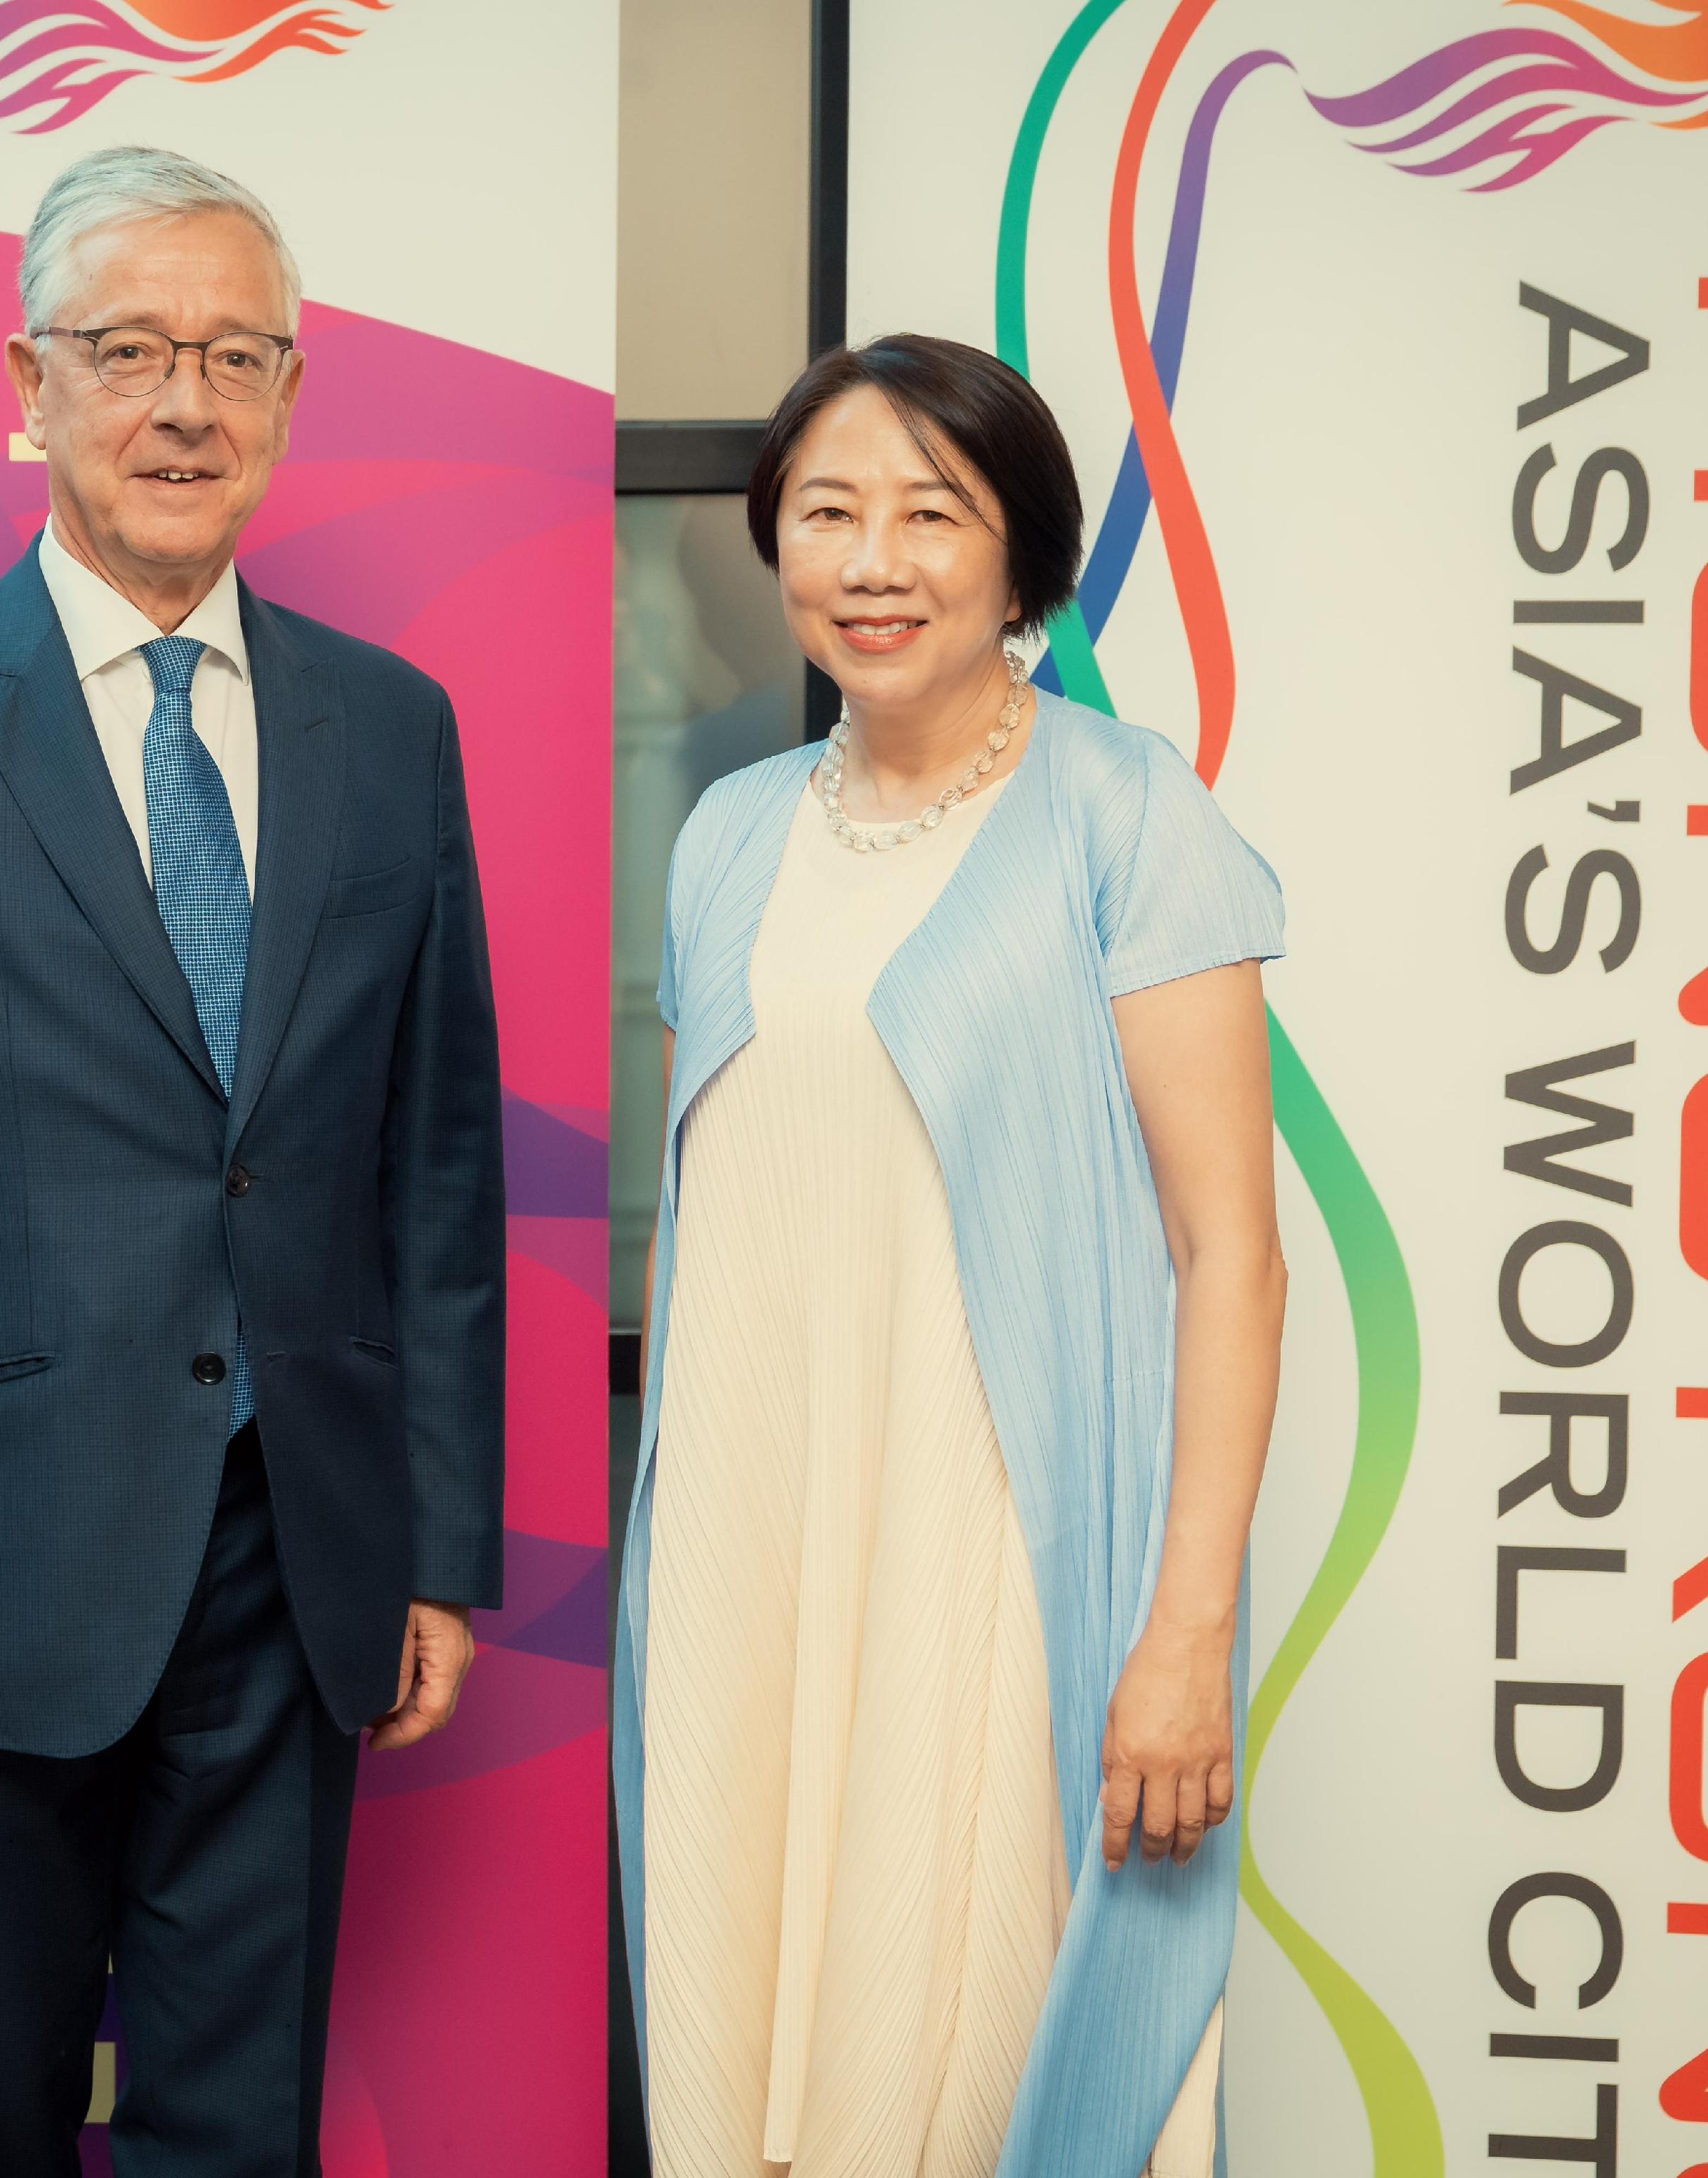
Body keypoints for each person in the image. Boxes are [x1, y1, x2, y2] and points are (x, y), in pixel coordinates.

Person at [0, 145, 506, 2177]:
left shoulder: (390, 731)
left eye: (238, 355)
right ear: (26, 385)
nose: (184, 404)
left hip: (293, 1567)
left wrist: (432, 1542)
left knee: (247, 2137)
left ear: (294, 395)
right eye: (126, 348)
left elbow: (438, 1170)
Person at [613, 335, 1289, 2177]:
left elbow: (1233, 1252)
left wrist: (1186, 1637)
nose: (874, 560)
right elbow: (716, 1211)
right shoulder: (730, 838)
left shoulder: (1123, 812)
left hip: (1002, 1569)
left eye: (934, 512)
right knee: (749, 2027)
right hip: (755, 1565)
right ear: (777, 548)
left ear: (1023, 555)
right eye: (828, 512)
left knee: (980, 2033)